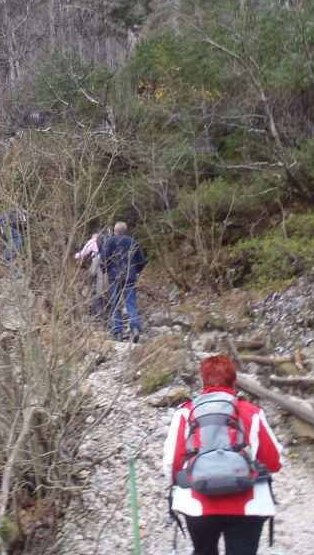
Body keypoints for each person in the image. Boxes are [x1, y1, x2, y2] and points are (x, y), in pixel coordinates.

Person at [163, 355, 283, 555]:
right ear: (234, 381)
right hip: (248, 504)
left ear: (203, 381)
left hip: (197, 503)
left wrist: (178, 485)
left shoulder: (185, 413)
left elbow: (172, 462)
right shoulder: (252, 412)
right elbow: (275, 461)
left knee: (204, 551)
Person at [99, 221, 147, 341]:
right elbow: (142, 261)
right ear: (125, 231)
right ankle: (135, 328)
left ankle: (118, 332)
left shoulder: (109, 241)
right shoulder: (133, 242)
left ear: (115, 231)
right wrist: (136, 271)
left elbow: (103, 259)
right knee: (131, 303)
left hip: (114, 277)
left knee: (115, 304)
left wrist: (105, 270)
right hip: (130, 277)